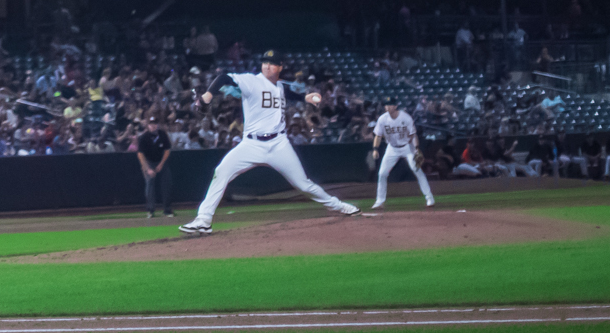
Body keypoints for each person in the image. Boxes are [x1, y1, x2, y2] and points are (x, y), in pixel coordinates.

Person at [177, 50, 361, 236]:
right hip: (251, 144)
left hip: (279, 144)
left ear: (280, 67)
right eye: (265, 62)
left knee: (303, 185)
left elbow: (287, 93)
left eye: (272, 63)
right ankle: (204, 220)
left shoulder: (279, 86)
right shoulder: (252, 81)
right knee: (221, 172)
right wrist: (208, 95)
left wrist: (307, 98)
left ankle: (339, 206)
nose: (267, 65)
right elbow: (224, 77)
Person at [369, 98, 434, 209]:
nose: (387, 107)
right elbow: (378, 135)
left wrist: (417, 148)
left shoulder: (405, 117)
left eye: (390, 105)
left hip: (407, 147)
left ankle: (429, 197)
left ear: (395, 106)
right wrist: (375, 149)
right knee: (382, 173)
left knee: (416, 169)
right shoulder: (382, 119)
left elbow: (413, 134)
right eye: (386, 105)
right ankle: (380, 201)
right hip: (392, 148)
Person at [132, 118, 171, 218]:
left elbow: (167, 150)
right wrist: (147, 168)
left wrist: (161, 164)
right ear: (148, 125)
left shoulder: (162, 135)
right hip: (148, 162)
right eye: (151, 124)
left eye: (155, 124)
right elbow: (140, 154)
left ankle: (167, 210)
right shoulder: (144, 137)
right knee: (149, 186)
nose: (153, 126)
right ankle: (150, 210)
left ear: (157, 125)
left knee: (166, 184)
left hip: (160, 161)